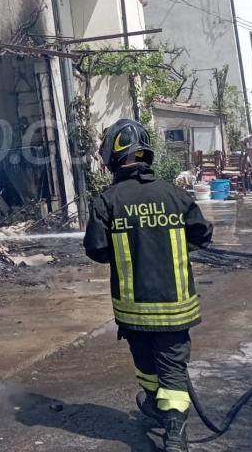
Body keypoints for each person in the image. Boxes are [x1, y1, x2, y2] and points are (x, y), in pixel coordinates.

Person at [84, 119, 213, 452]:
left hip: (134, 309)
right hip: (175, 307)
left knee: (146, 365)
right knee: (172, 368)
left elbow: (96, 250)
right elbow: (202, 233)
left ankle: (160, 409)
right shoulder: (174, 194)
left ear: (114, 154)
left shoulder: (107, 201)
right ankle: (174, 434)